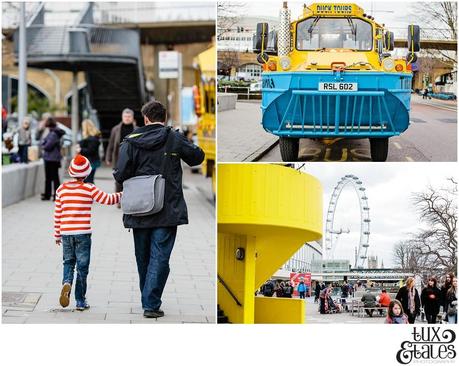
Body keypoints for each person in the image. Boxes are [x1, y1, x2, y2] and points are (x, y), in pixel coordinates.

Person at [113, 100, 204, 318]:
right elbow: (197, 157)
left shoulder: (130, 141)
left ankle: (149, 299)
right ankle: (150, 303)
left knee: (143, 256)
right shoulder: (173, 137)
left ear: (145, 118)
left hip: (140, 207)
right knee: (160, 257)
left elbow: (119, 174)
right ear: (163, 117)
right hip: (167, 207)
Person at [54, 154, 122, 310]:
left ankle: (66, 283)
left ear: (71, 172)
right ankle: (80, 300)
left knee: (68, 263)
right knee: (82, 267)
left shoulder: (61, 189)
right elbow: (108, 199)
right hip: (83, 234)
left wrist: (57, 234)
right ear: (86, 173)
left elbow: (57, 213)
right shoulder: (89, 188)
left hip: (66, 233)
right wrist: (123, 194)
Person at [106, 108, 136, 194]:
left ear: (132, 117)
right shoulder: (115, 129)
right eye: (125, 116)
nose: (127, 118)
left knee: (132, 179)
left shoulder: (137, 129)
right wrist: (108, 157)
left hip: (132, 158)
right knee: (119, 180)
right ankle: (118, 198)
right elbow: (111, 144)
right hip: (119, 158)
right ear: (122, 117)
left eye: (129, 116)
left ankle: (129, 198)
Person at [41, 117, 65, 201]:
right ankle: (53, 194)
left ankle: (51, 195)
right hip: (54, 158)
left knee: (50, 178)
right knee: (54, 178)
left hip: (50, 158)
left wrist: (43, 145)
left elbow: (47, 146)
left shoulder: (53, 134)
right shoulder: (55, 132)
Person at [77, 119, 101, 184]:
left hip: (91, 162)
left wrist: (80, 149)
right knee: (87, 180)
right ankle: (90, 193)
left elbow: (91, 151)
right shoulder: (91, 138)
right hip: (91, 161)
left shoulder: (92, 139)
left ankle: (92, 193)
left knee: (88, 181)